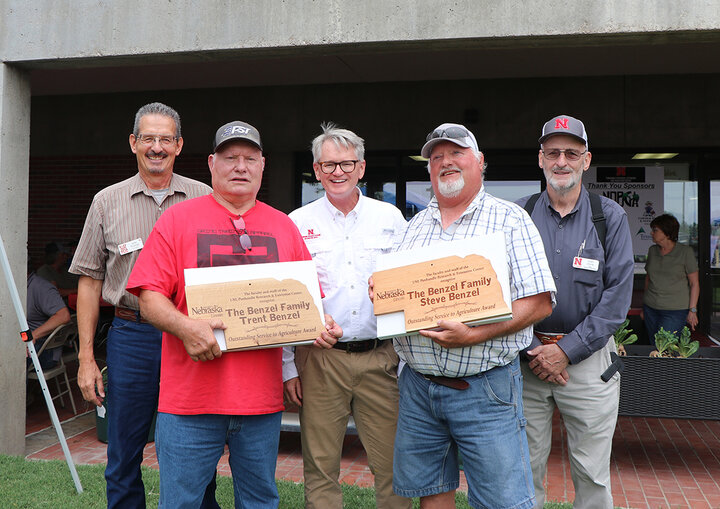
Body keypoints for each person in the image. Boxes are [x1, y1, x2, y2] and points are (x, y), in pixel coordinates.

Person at [126, 120, 343, 509]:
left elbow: (307, 305)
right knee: (180, 502)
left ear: (263, 166)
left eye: (249, 158)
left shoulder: (283, 226)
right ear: (212, 163)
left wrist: (320, 325)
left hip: (260, 402)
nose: (240, 166)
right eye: (230, 158)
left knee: (259, 501)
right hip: (190, 402)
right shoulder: (177, 220)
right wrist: (185, 326)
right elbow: (149, 297)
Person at [380, 123, 555, 509]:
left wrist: (474, 336)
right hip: (419, 387)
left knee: (502, 501)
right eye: (436, 157)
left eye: (456, 153)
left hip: (485, 389)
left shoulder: (510, 220)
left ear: (479, 162)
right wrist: (384, 297)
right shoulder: (412, 228)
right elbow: (401, 300)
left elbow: (541, 302)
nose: (445, 162)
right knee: (430, 492)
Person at [69, 102, 218, 508]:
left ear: (179, 145)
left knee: (196, 446)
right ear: (133, 143)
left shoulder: (204, 197)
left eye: (165, 139)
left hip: (189, 336)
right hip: (131, 336)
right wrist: (85, 358)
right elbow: (89, 280)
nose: (157, 147)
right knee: (123, 451)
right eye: (148, 138)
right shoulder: (106, 201)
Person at [283, 123, 410, 509]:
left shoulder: (390, 218)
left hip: (382, 359)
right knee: (320, 467)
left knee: (392, 467)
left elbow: (409, 284)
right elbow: (286, 296)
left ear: (361, 168)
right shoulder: (296, 223)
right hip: (320, 360)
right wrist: (289, 365)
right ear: (316, 170)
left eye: (346, 164)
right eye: (329, 165)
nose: (338, 172)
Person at [518, 114, 634, 509]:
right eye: (553, 152)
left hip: (588, 365)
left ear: (586, 160)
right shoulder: (520, 216)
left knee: (591, 473)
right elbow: (501, 291)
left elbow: (616, 299)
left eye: (571, 152)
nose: (561, 161)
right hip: (526, 362)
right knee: (524, 468)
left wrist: (565, 350)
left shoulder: (610, 218)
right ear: (540, 159)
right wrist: (535, 348)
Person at [643, 213, 699, 341]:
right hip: (650, 308)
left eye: (655, 230)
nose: (652, 233)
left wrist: (693, 310)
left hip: (675, 311)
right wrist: (643, 306)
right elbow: (648, 278)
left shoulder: (685, 252)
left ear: (667, 233)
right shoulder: (652, 251)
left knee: (664, 347)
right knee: (654, 347)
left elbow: (694, 283)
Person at [27, 266, 72, 370]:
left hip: (45, 351)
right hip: (25, 345)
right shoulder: (13, 287)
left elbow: (63, 316)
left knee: (10, 357)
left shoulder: (40, 287)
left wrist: (33, 335)